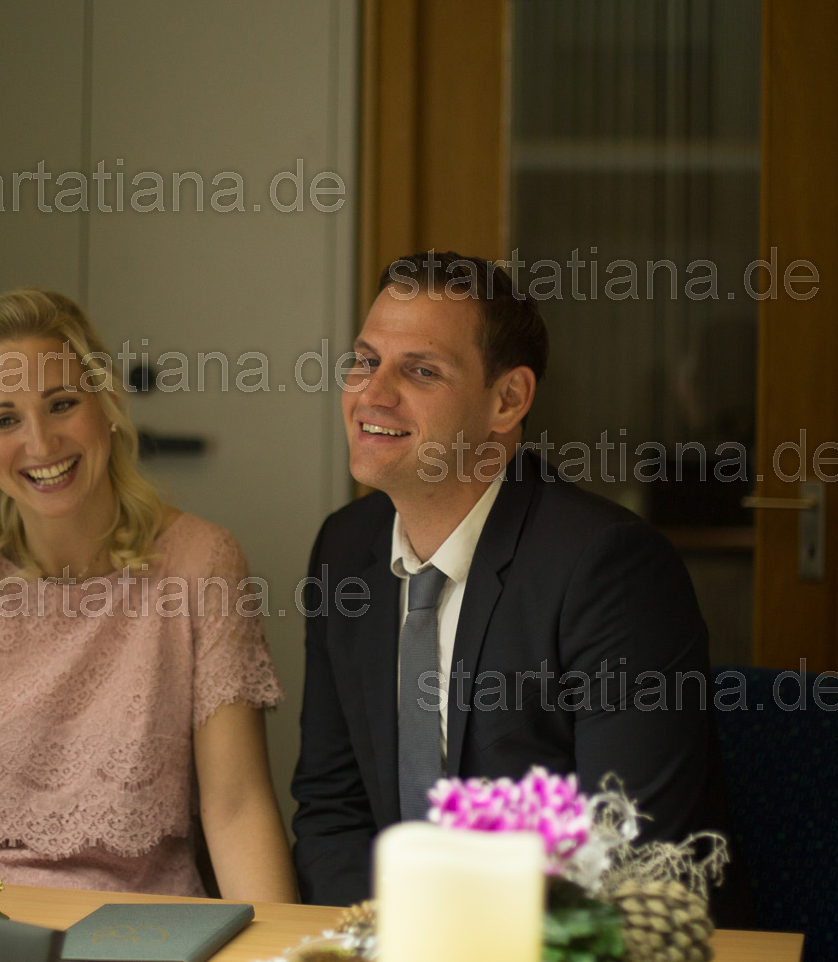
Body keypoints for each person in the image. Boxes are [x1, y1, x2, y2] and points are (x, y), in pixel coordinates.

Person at [290, 252, 748, 919]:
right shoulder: (343, 549)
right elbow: (333, 808)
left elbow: (627, 854)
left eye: (420, 370)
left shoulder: (609, 568)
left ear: (507, 400)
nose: (372, 394)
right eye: (365, 360)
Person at [0, 288, 297, 902]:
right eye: (5, 419)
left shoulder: (203, 563)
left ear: (108, 403)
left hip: (143, 926)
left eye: (61, 404)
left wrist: (290, 949)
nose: (40, 444)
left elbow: (236, 808)